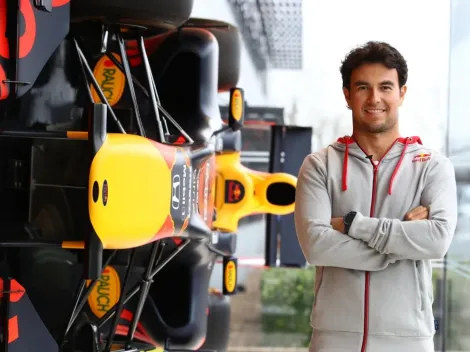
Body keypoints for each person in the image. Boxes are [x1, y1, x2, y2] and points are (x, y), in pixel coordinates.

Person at [294, 41, 458, 352]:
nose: (375, 98)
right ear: (347, 95)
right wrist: (403, 243)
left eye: (385, 87)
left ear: (402, 93)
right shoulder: (319, 166)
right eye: (362, 87)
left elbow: (436, 241)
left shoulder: (433, 167)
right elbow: (316, 246)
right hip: (333, 339)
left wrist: (354, 225)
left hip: (410, 341)